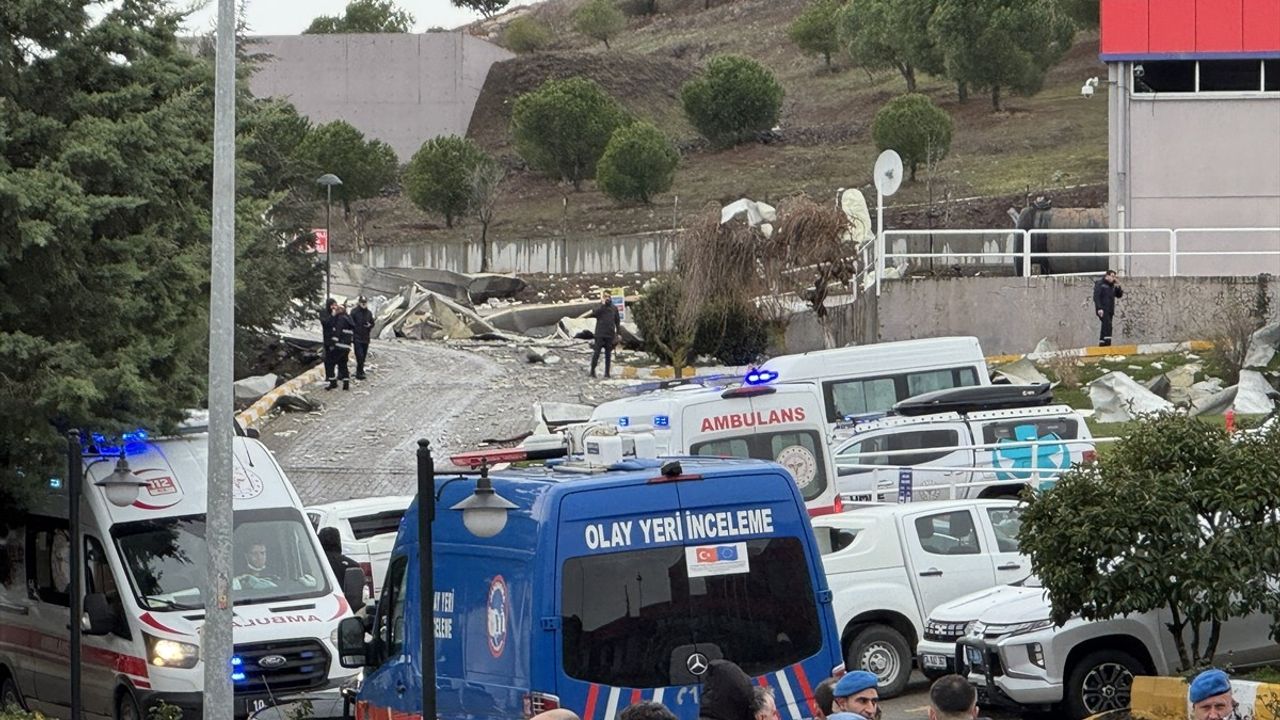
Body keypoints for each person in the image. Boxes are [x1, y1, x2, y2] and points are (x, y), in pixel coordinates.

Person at [589, 290, 621, 378]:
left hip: (609, 334)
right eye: (605, 296)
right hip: (600, 334)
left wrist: (618, 333)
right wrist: (602, 305)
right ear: (602, 297)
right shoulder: (599, 306)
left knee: (608, 354)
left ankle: (607, 373)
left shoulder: (614, 308)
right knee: (597, 353)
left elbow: (617, 321)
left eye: (608, 296)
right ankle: (592, 371)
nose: (607, 298)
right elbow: (594, 313)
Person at [1093, 269, 1124, 347]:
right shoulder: (1100, 284)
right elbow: (1096, 296)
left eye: (1114, 277)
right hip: (1103, 309)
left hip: (1110, 309)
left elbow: (1119, 295)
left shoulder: (1112, 286)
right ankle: (1105, 345)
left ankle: (1105, 343)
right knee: (1106, 326)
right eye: (1112, 276)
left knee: (1107, 327)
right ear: (1107, 276)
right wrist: (1099, 308)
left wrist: (1119, 286)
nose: (1113, 278)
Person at [329, 303, 355, 391]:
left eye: (338, 309)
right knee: (343, 364)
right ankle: (346, 384)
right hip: (346, 346)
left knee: (330, 363)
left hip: (339, 345)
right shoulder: (349, 319)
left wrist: (333, 344)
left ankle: (332, 383)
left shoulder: (340, 318)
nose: (336, 311)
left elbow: (337, 332)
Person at [350, 295, 374, 380]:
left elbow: (372, 323)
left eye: (365, 303)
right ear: (359, 303)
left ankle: (360, 371)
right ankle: (359, 373)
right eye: (362, 303)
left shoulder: (369, 313)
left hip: (365, 338)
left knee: (363, 356)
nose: (363, 304)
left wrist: (370, 325)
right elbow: (350, 323)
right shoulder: (354, 312)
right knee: (359, 356)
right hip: (357, 337)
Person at [320, 298, 338, 384]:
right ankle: (329, 375)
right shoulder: (324, 313)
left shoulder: (337, 313)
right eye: (332, 305)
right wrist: (332, 316)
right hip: (328, 339)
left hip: (337, 339)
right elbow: (326, 323)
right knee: (328, 359)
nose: (334, 307)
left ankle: (333, 374)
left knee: (335, 358)